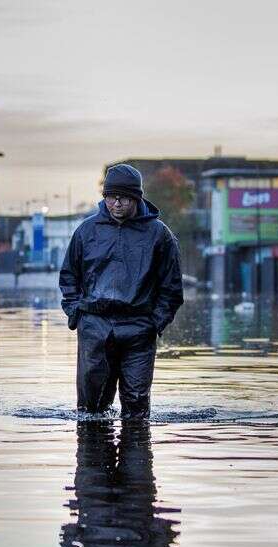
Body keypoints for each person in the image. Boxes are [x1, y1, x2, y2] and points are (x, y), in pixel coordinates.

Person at [59, 164, 183, 420]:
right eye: (110, 197)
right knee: (90, 410)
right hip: (94, 326)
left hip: (139, 328)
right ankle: (93, 458)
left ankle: (135, 454)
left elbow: (171, 287)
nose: (116, 203)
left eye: (123, 197)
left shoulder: (159, 235)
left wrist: (155, 323)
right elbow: (69, 276)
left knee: (137, 409)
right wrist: (76, 315)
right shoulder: (86, 231)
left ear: (136, 198)